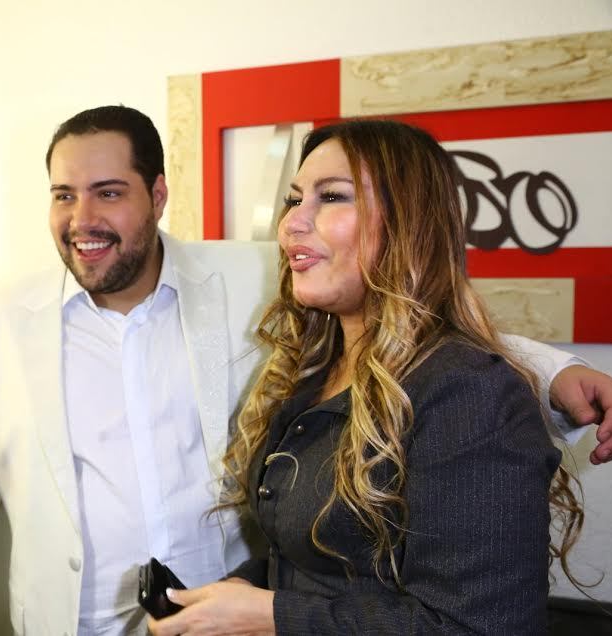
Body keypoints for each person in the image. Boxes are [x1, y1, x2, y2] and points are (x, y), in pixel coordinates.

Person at [0, 106, 612, 636]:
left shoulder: (247, 275)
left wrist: (552, 370)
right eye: (63, 193)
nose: (82, 217)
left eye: (108, 191)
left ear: (157, 195)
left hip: (238, 614)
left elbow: (414, 306)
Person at [148, 120, 586, 635]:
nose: (291, 224)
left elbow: (475, 626)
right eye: (294, 200)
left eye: (332, 197)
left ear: (408, 223)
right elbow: (322, 564)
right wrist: (241, 592)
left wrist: (270, 616)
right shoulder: (313, 371)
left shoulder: (469, 392)